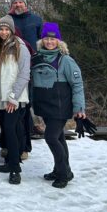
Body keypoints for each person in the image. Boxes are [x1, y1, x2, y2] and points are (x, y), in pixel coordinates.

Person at [31, 22, 86, 189]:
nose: (49, 42)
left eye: (53, 39)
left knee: (51, 137)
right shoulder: (37, 58)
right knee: (59, 138)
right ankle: (58, 169)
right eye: (47, 38)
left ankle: (64, 173)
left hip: (61, 106)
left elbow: (77, 85)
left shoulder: (66, 60)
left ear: (59, 41)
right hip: (45, 105)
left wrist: (79, 108)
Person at [0, 15, 30, 185]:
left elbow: (24, 74)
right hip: (2, 97)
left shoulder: (20, 47)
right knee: (9, 131)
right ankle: (10, 162)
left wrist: (13, 97)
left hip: (14, 99)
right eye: (1, 29)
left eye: (7, 29)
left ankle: (15, 169)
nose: (4, 32)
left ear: (12, 30)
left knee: (11, 130)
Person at [8, 0, 42, 158]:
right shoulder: (8, 20)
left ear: (25, 4)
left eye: (20, 2)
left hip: (33, 67)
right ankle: (7, 144)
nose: (18, 5)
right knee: (8, 106)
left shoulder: (36, 20)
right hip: (11, 68)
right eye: (15, 3)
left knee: (25, 106)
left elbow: (45, 41)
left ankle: (24, 147)